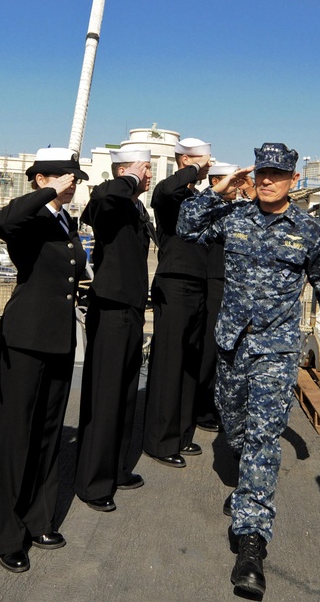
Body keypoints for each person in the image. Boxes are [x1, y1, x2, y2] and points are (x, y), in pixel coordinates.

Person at [178, 143, 320, 601]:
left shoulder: (308, 230)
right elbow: (185, 227)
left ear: (294, 180)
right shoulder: (234, 216)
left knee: (263, 437)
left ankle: (251, 542)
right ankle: (247, 476)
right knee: (233, 422)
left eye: (278, 173)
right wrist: (221, 189)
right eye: (262, 172)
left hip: (277, 347)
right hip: (232, 342)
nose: (268, 180)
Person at [0, 147, 88, 574]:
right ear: (43, 178)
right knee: (16, 436)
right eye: (68, 178)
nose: (74, 184)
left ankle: (38, 519)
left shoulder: (66, 220)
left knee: (47, 433)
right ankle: (4, 534)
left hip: (58, 339)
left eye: (76, 179)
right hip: (25, 339)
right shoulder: (29, 217)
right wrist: (46, 192)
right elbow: (4, 221)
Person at [74, 147, 154, 513]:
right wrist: (129, 178)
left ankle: (117, 468)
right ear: (124, 171)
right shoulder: (108, 197)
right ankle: (93, 482)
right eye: (143, 169)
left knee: (124, 395)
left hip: (133, 310)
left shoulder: (136, 207)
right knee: (105, 398)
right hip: (110, 311)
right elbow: (102, 197)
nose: (148, 175)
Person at [143, 137, 212, 468]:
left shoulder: (195, 196)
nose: (208, 165)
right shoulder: (168, 193)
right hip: (175, 283)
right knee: (170, 363)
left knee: (188, 364)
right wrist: (196, 169)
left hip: (198, 284)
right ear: (186, 161)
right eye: (202, 161)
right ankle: (159, 440)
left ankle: (182, 434)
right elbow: (168, 189)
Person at [194, 162, 243, 433]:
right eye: (231, 182)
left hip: (230, 284)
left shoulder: (236, 209)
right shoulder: (209, 207)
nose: (236, 187)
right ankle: (201, 408)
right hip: (214, 280)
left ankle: (218, 406)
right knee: (210, 347)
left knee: (228, 350)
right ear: (216, 183)